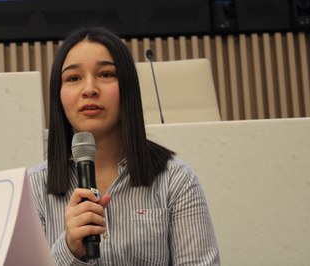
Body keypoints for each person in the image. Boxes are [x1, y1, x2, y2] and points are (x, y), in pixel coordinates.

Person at [29, 25, 220, 265]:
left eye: (106, 74)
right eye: (74, 78)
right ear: (58, 95)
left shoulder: (176, 180)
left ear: (128, 87)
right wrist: (68, 250)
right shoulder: (33, 188)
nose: (89, 89)